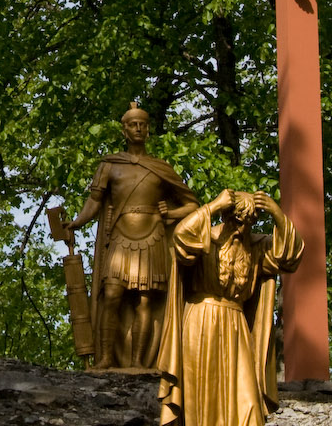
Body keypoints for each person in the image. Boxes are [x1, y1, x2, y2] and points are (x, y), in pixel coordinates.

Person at [66, 102, 197, 368]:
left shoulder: (161, 168)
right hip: (121, 236)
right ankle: (105, 358)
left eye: (143, 125)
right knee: (112, 295)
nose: (138, 129)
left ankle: (140, 362)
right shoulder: (110, 165)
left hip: (153, 236)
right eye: (133, 125)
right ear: (124, 130)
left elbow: (192, 204)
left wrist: (171, 215)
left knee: (145, 301)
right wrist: (77, 222)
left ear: (148, 130)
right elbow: (94, 201)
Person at [157, 189, 303, 426]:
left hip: (236, 327)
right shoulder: (207, 239)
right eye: (236, 221)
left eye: (248, 223)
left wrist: (276, 213)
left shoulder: (254, 247)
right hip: (201, 322)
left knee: (249, 405)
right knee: (203, 399)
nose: (241, 229)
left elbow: (290, 256)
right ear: (225, 217)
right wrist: (213, 205)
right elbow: (180, 238)